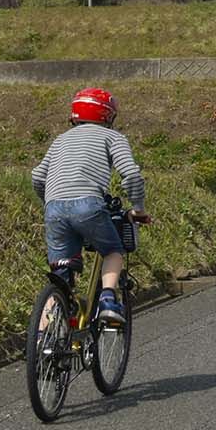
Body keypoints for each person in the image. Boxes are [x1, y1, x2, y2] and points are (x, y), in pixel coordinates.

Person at [30, 87, 150, 326]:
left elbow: (37, 177)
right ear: (107, 115)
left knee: (59, 278)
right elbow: (131, 175)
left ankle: (43, 342)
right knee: (113, 251)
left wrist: (51, 203)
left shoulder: (60, 139)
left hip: (53, 208)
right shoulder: (113, 138)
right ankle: (107, 299)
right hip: (89, 205)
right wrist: (138, 209)